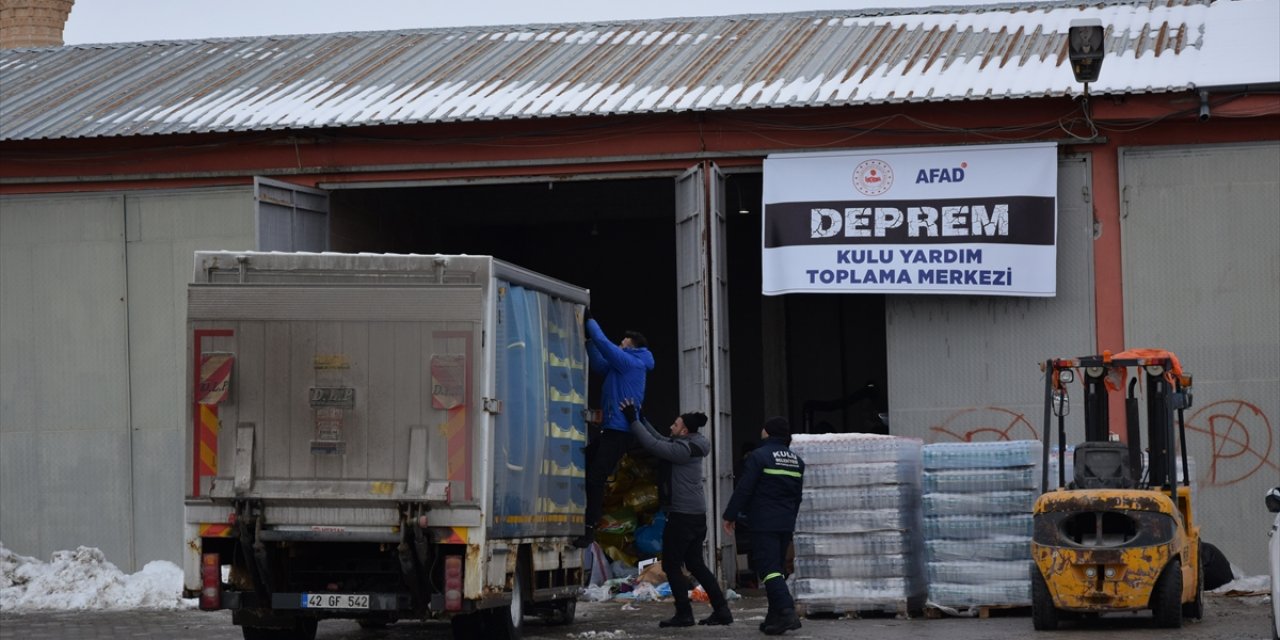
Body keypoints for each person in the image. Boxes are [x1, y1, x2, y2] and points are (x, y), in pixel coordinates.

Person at [621, 399, 733, 628]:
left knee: (672, 565)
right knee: (696, 564)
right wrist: (642, 419)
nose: (671, 426)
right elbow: (661, 440)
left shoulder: (681, 451)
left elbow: (653, 445)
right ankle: (722, 610)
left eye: (675, 424)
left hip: (682, 516)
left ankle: (684, 613)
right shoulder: (689, 445)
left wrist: (633, 420)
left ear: (684, 430)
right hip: (696, 516)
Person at [573, 309, 655, 548]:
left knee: (596, 476)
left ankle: (590, 529)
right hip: (611, 430)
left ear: (631, 347)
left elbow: (604, 343)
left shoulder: (631, 363)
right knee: (585, 465)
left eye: (623, 342)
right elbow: (599, 363)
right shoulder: (621, 367)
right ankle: (586, 519)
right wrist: (588, 342)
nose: (620, 345)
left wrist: (589, 321)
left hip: (619, 433)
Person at [722, 416, 805, 636]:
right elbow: (798, 497)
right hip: (785, 523)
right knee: (776, 569)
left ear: (767, 432)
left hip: (764, 523)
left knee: (769, 571)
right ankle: (774, 619)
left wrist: (730, 515)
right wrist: (790, 519)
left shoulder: (759, 457)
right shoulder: (796, 461)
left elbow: (744, 489)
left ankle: (787, 611)